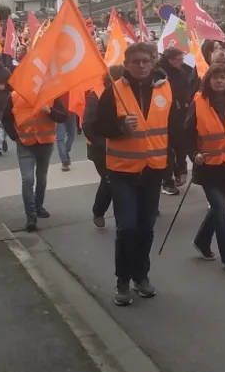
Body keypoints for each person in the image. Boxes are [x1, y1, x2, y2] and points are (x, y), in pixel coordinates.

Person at [96, 43, 187, 305]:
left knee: (146, 228)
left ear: (154, 61)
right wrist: (119, 126)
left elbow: (175, 128)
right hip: (123, 171)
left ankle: (141, 276)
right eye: (135, 61)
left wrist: (181, 163)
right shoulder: (114, 90)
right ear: (126, 64)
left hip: (153, 170)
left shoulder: (166, 87)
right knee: (127, 228)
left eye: (146, 61)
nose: (141, 65)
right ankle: (122, 281)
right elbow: (95, 126)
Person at [187, 63, 225, 274]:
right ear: (208, 81)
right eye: (215, 78)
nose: (220, 81)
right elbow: (186, 133)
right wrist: (194, 154)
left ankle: (202, 241)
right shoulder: (199, 102)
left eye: (223, 77)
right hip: (208, 167)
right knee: (222, 211)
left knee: (218, 208)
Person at [3, 88, 67, 232]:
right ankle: (31, 216)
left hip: (45, 143)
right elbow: (6, 118)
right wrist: (15, 136)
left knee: (41, 177)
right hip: (25, 144)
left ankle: (39, 206)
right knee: (28, 179)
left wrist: (51, 111)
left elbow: (63, 116)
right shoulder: (14, 97)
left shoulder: (51, 95)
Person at [83, 65, 125, 228]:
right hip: (99, 149)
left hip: (120, 145)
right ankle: (98, 211)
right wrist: (104, 144)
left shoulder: (125, 94)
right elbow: (87, 126)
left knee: (121, 180)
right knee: (110, 180)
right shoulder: (97, 96)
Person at [160, 47, 197, 195]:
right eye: (179, 59)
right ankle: (167, 182)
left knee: (181, 147)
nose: (182, 62)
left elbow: (187, 90)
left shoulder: (182, 72)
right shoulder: (161, 74)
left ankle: (180, 171)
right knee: (167, 152)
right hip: (165, 118)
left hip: (181, 116)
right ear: (170, 60)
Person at [54, 90, 78, 171]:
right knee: (63, 137)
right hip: (62, 112)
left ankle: (65, 154)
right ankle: (64, 160)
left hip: (68, 111)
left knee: (68, 135)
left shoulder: (54, 83)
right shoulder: (69, 81)